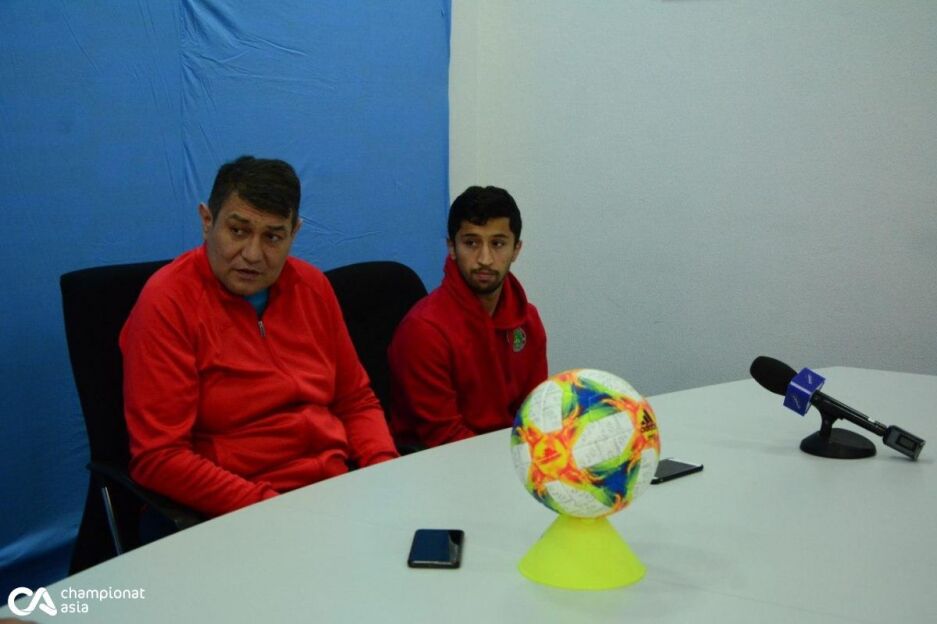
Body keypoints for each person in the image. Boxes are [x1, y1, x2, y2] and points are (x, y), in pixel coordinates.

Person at [121, 156, 398, 518]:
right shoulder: (167, 302)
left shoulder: (313, 287)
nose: (253, 255)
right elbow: (159, 457)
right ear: (207, 221)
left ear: (294, 233)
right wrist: (271, 509)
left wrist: (385, 473)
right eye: (238, 231)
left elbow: (355, 402)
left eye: (273, 237)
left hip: (332, 491)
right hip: (234, 508)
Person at [387, 186, 548, 449]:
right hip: (440, 461)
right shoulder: (423, 331)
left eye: (498, 243)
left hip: (508, 456)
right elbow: (443, 438)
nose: (485, 259)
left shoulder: (528, 321)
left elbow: (535, 414)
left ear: (516, 249)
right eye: (471, 243)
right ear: (451, 247)